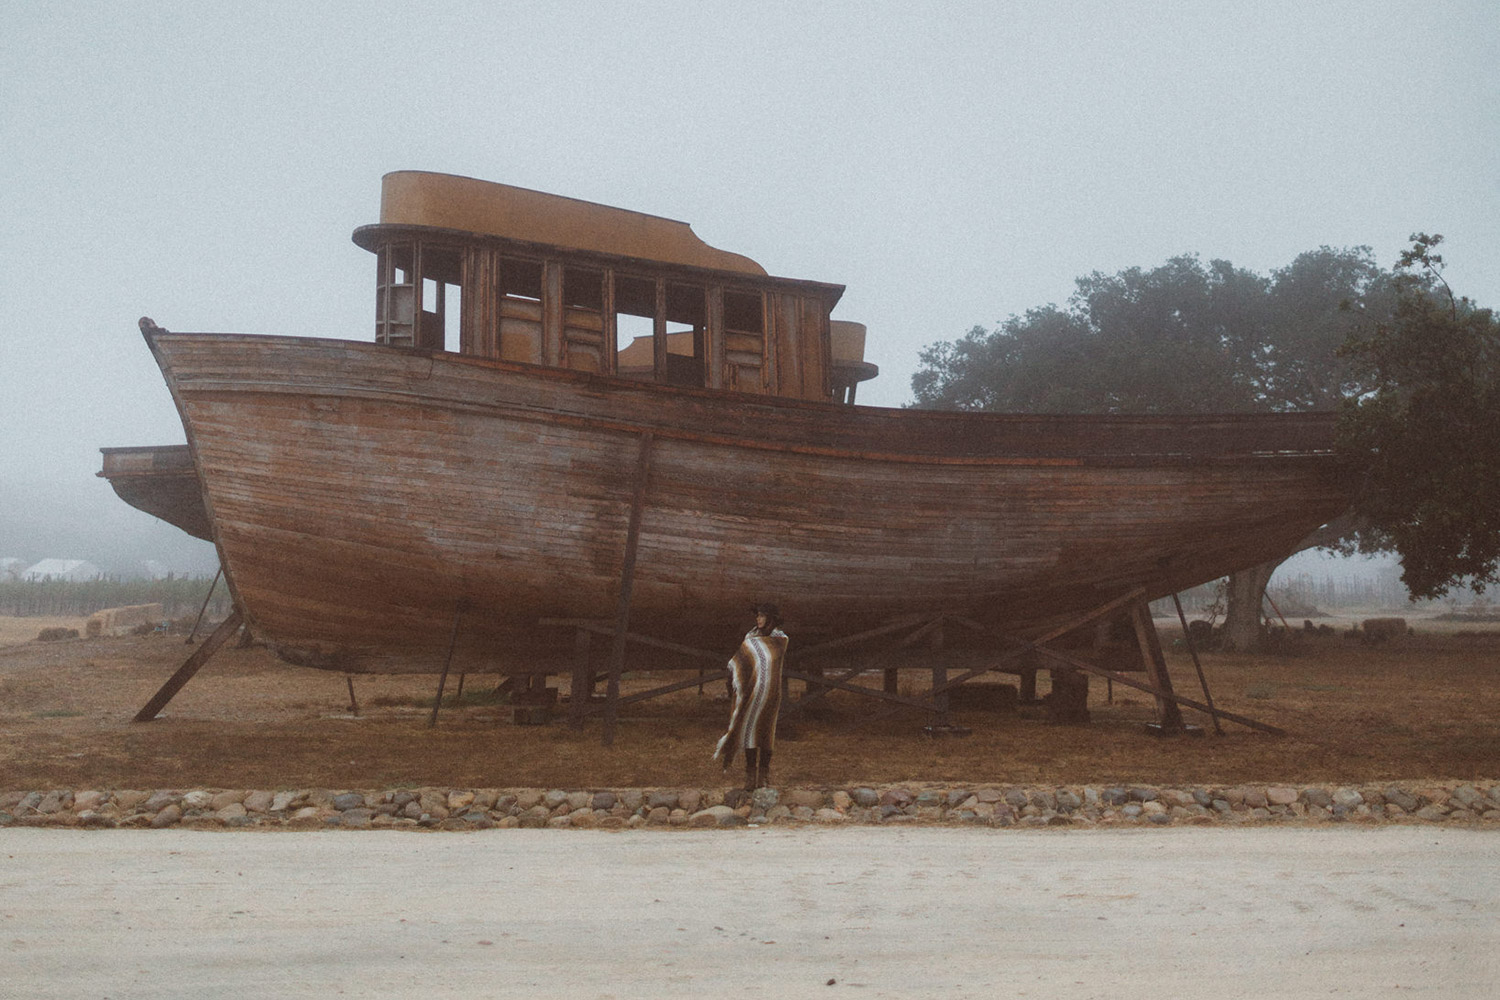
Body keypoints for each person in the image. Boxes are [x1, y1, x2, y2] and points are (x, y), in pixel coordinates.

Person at [713, 602, 789, 791]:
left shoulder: (781, 639)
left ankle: (763, 774)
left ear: (770, 618)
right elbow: (743, 662)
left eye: (762, 616)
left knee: (765, 731)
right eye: (758, 616)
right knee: (748, 732)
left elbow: (771, 662)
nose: (758, 619)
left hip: (770, 693)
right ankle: (750, 775)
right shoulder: (750, 638)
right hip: (750, 693)